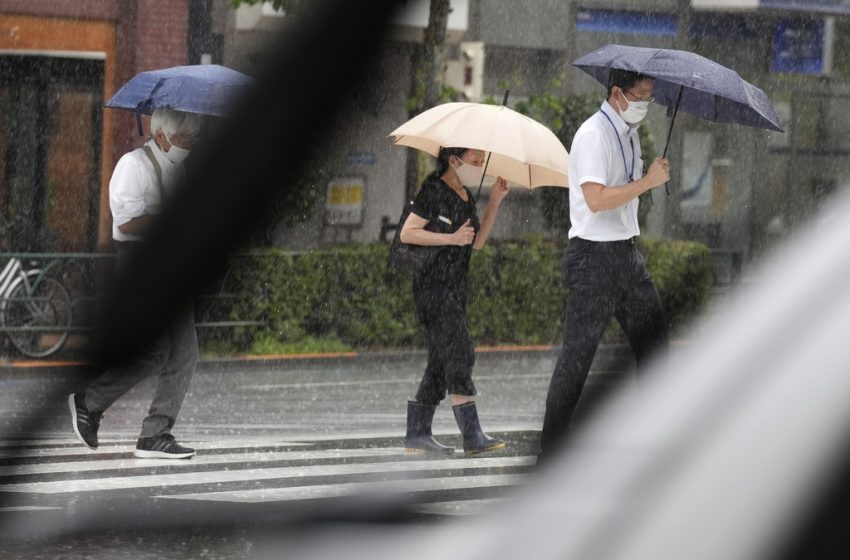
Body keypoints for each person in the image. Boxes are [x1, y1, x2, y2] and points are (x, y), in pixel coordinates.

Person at [539, 69, 671, 461]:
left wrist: (648, 180)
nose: (645, 105)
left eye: (650, 98)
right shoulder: (594, 134)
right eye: (641, 97)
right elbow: (595, 199)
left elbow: (624, 197)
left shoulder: (628, 136)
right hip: (593, 257)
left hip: (626, 256)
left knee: (655, 347)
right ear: (617, 93)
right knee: (577, 359)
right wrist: (646, 183)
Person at [68, 108, 202, 459]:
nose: (187, 147)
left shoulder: (180, 170)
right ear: (162, 136)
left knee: (185, 352)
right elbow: (126, 224)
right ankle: (89, 402)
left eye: (192, 141)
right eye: (184, 140)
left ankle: (155, 433)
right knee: (153, 352)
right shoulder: (133, 166)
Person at [400, 146, 509, 457]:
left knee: (439, 361)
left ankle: (417, 433)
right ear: (454, 160)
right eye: (475, 161)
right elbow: (409, 232)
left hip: (455, 289)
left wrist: (496, 201)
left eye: (482, 161)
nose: (480, 166)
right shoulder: (434, 190)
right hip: (433, 287)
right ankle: (472, 435)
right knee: (460, 350)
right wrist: (448, 238)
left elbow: (477, 241)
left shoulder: (466, 195)